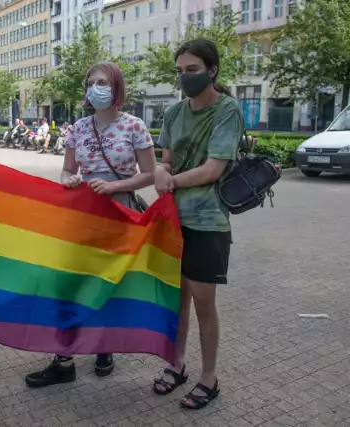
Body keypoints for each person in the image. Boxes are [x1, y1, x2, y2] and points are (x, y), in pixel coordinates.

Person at [24, 61, 157, 388]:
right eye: (92, 81)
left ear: (117, 88)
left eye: (104, 81)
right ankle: (64, 359)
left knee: (108, 282)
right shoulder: (77, 128)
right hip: (82, 214)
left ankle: (104, 346)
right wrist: (70, 181)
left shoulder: (135, 126)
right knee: (67, 283)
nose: (96, 86)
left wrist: (115, 186)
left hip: (119, 214)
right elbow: (67, 170)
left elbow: (150, 174)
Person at [152, 38, 244, 410]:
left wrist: (170, 179)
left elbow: (212, 169)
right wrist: (160, 170)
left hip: (207, 222)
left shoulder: (228, 110)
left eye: (192, 70)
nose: (185, 77)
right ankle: (176, 366)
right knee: (177, 303)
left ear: (212, 70)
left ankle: (209, 377)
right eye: (180, 72)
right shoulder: (174, 114)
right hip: (174, 221)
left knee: (204, 304)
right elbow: (166, 160)